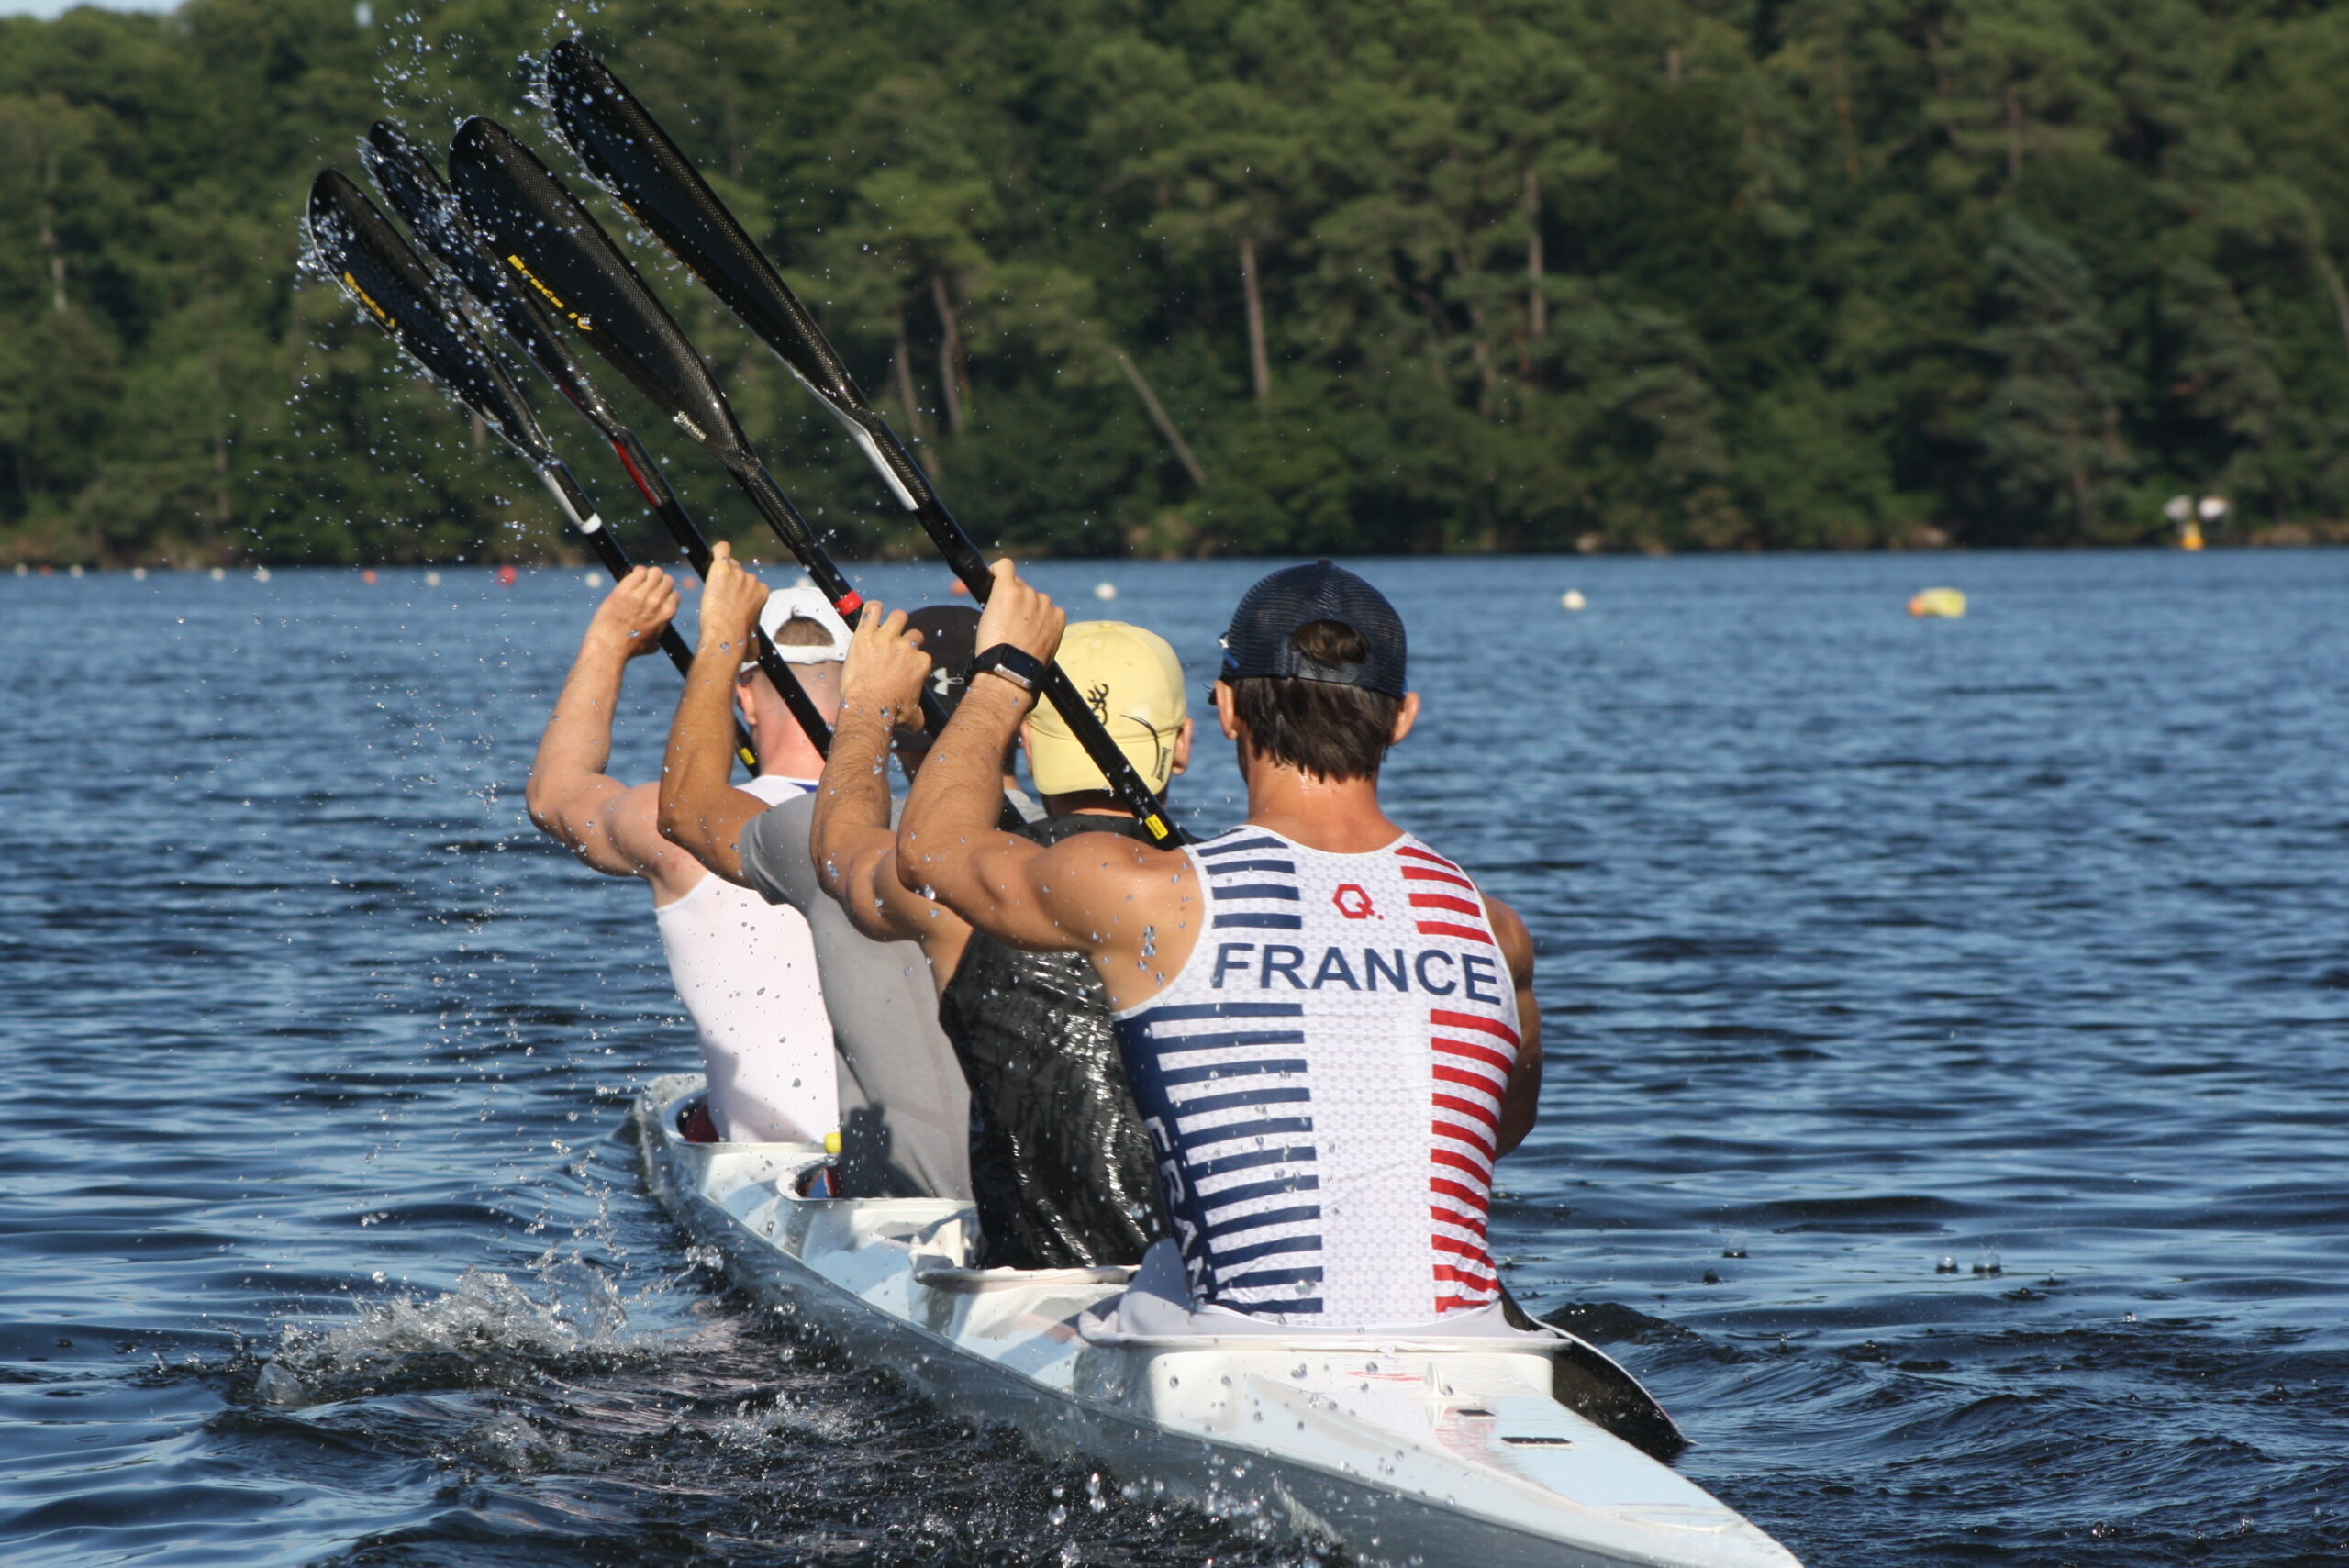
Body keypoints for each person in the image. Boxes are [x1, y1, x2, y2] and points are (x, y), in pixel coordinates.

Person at [900, 558, 1543, 1330]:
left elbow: (929, 850)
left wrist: (1004, 672)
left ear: (1231, 709)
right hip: (1472, 1344)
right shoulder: (1495, 930)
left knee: (1154, 1268)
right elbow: (1495, 1129)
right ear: (1402, 716)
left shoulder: (1149, 895)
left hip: (1241, 1354)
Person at [817, 603, 1184, 1268]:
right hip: (1193, 1283)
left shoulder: (963, 892)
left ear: (1031, 742)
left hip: (1031, 1289)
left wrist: (868, 705)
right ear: (1182, 744)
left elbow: (839, 853)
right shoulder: (1229, 889)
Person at [655, 545, 976, 1200]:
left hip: (884, 1199)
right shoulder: (1068, 859)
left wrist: (716, 636)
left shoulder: (827, 841)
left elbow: (678, 810)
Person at [524, 564, 841, 1146]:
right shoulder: (928, 838)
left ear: (745, 696)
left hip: (774, 1166)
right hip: (914, 1167)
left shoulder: (677, 836)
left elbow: (554, 795)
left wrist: (609, 642)